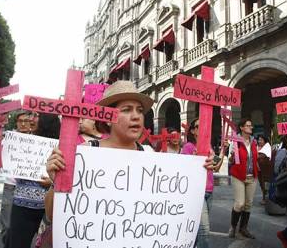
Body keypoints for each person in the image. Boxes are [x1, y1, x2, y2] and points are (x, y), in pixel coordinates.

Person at [44, 81, 215, 228]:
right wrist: (57, 181)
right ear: (107, 118)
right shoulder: (85, 154)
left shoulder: (150, 156)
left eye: (139, 110)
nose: (136, 117)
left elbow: (174, 205)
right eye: (126, 110)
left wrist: (199, 171)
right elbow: (53, 215)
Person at [181, 118, 228, 248]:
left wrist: (223, 150)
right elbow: (183, 169)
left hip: (209, 191)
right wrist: (195, 159)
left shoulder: (209, 147)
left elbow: (216, 167)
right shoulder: (188, 147)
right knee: (204, 232)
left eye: (204, 126)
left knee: (197, 231)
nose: (202, 129)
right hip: (196, 192)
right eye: (198, 126)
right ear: (193, 131)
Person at [0, 110, 32, 244]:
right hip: (11, 186)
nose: (23, 124)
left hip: (31, 188)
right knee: (7, 226)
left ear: (31, 122)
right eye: (20, 121)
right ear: (16, 123)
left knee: (26, 228)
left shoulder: (39, 140)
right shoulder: (6, 138)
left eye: (27, 121)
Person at [228, 118, 258, 239]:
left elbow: (253, 158)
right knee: (240, 203)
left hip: (252, 176)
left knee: (248, 204)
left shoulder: (253, 142)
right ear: (241, 127)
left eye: (251, 126)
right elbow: (230, 160)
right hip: (239, 176)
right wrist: (231, 156)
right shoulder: (235, 141)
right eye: (248, 125)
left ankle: (243, 228)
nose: (251, 127)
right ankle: (233, 226)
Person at [257, 135, 272, 205]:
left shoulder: (267, 148)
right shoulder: (259, 147)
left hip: (265, 170)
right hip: (259, 169)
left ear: (265, 141)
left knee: (265, 184)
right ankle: (264, 198)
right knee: (261, 184)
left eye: (261, 140)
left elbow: (261, 157)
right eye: (259, 140)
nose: (259, 141)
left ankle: (266, 199)